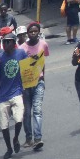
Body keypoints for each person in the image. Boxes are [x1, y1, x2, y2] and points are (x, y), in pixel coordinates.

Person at [0, 32, 27, 159]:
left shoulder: (21, 53)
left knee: (19, 119)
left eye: (8, 42)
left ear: (14, 43)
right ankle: (9, 148)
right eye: (4, 42)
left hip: (17, 91)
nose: (6, 44)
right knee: (4, 125)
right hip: (3, 95)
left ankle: (16, 138)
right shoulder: (0, 57)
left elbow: (27, 69)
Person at [20, 22, 49, 150]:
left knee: (37, 110)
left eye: (35, 31)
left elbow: (43, 63)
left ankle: (38, 138)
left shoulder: (43, 44)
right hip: (25, 84)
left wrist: (44, 79)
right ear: (27, 33)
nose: (33, 33)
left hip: (38, 82)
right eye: (31, 31)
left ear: (39, 32)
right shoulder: (21, 49)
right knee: (27, 112)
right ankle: (28, 138)